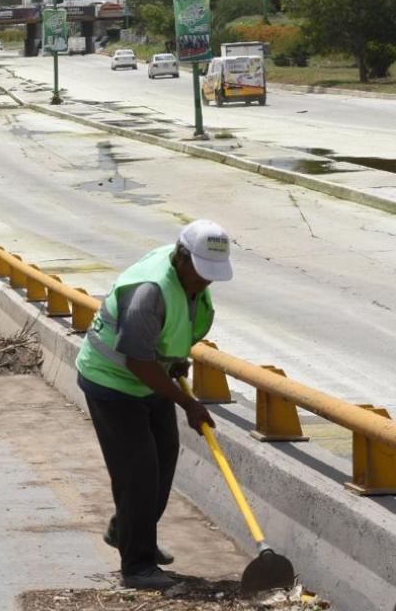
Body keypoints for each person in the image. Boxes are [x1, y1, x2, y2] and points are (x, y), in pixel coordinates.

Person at [74, 220, 233, 590]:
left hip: (150, 380)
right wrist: (188, 403)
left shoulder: (189, 282)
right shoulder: (149, 291)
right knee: (139, 473)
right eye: (200, 271)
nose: (205, 281)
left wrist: (174, 360)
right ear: (181, 257)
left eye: (211, 274)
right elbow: (137, 361)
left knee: (162, 463)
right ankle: (138, 566)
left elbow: (169, 333)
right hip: (112, 384)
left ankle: (128, 530)